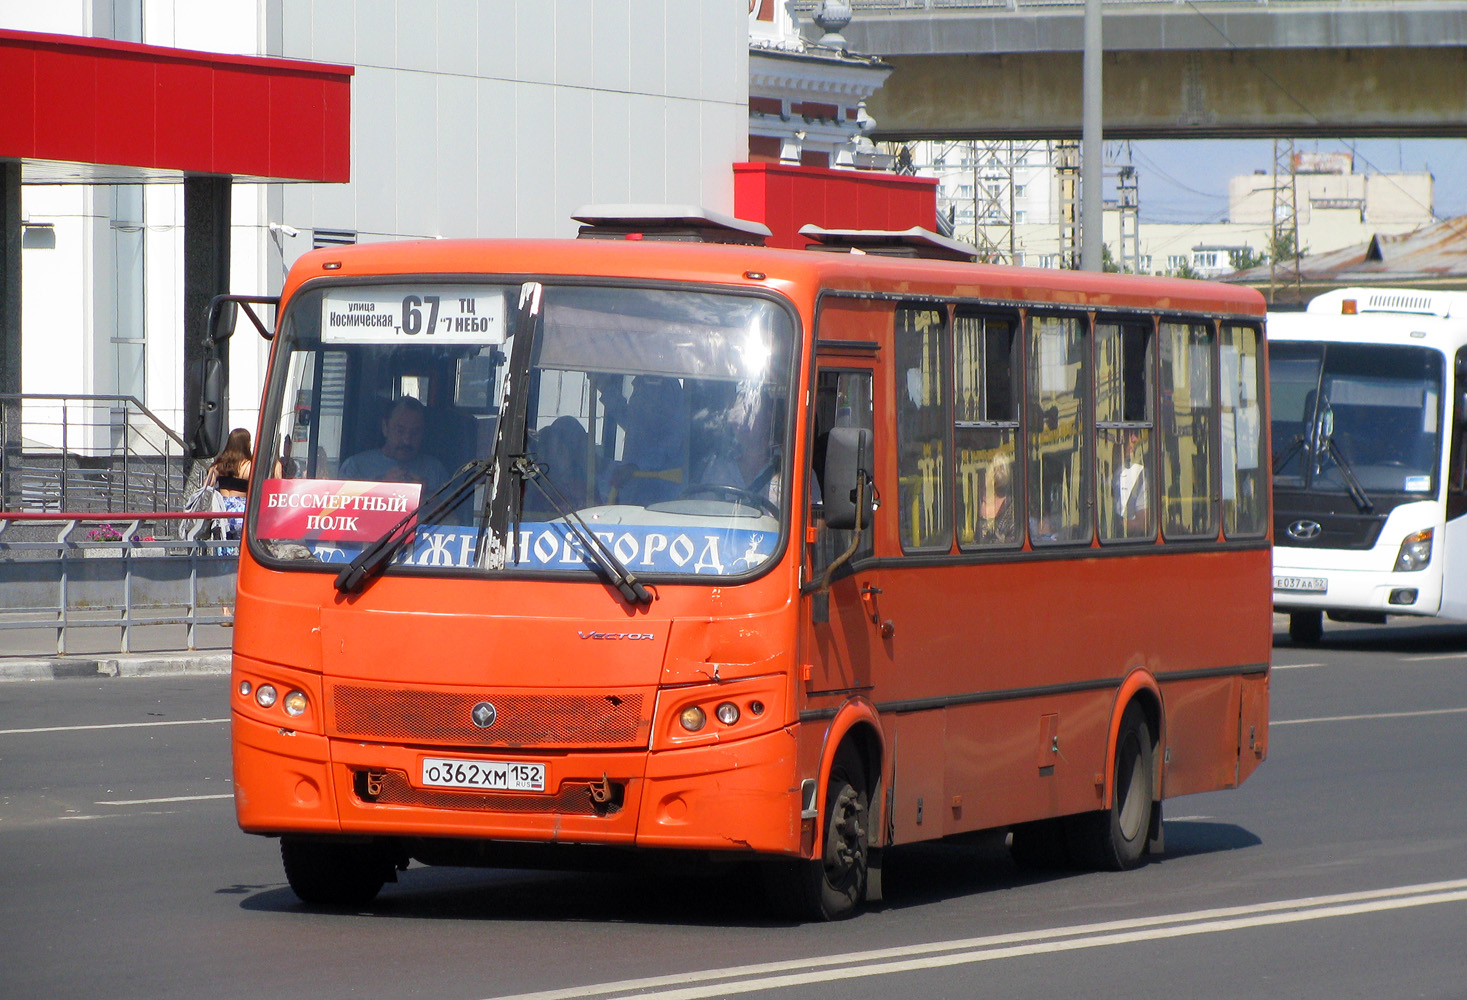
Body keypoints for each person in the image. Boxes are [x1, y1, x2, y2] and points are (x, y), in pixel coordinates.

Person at [598, 376, 688, 505]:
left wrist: (635, 466)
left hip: (663, 499)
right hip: (633, 494)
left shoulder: (662, 382)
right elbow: (633, 422)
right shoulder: (644, 380)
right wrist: (605, 388)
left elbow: (672, 439)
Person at [340, 396, 446, 492]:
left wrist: (425, 495)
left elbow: (453, 513)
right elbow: (337, 510)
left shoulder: (434, 470)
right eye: (400, 431)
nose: (407, 440)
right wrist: (380, 487)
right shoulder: (355, 467)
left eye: (415, 432)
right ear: (385, 428)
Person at [1115, 427, 1149, 536]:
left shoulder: (1139, 474)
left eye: (1135, 433)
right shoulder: (1099, 473)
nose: (1134, 439)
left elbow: (1142, 524)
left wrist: (1118, 525)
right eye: (1128, 433)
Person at [977, 450, 1015, 544]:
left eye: (1001, 468)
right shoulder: (981, 503)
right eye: (995, 468)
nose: (998, 472)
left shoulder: (1012, 507)